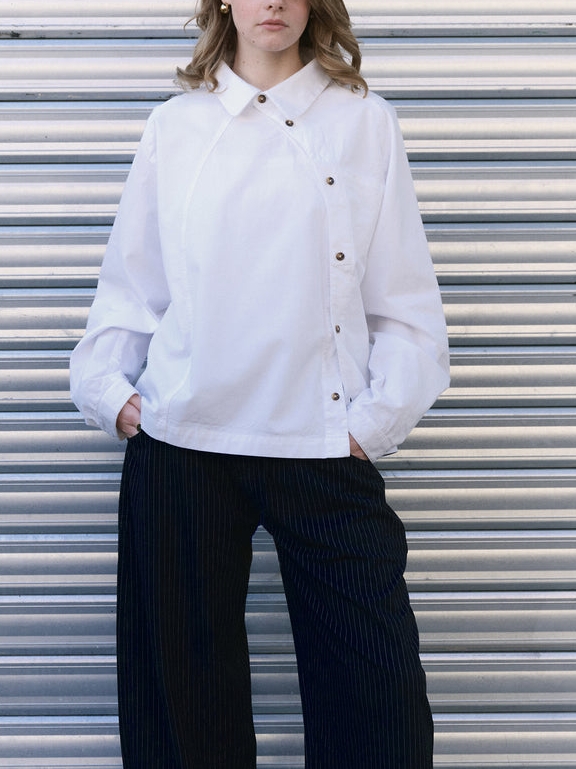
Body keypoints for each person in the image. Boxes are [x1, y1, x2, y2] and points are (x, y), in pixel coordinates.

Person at [70, 0, 450, 766]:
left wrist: (371, 423)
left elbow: (404, 302)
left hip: (322, 441)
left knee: (378, 704)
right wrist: (110, 392)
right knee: (182, 709)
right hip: (184, 444)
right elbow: (132, 287)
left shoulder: (363, 121)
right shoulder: (177, 126)